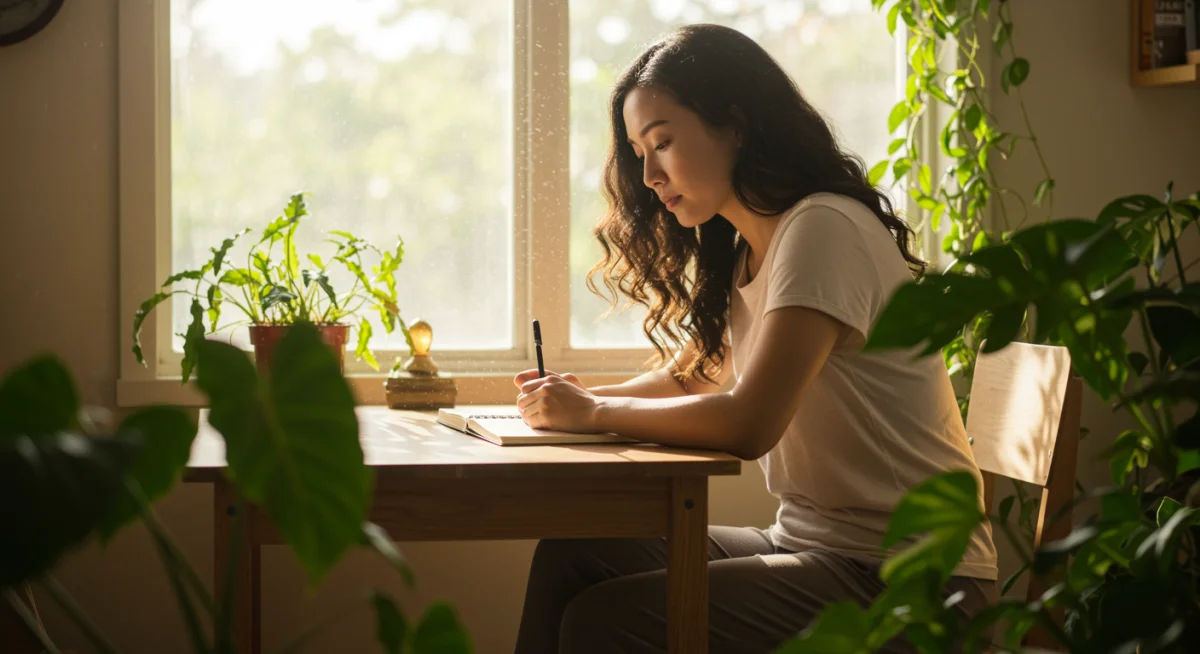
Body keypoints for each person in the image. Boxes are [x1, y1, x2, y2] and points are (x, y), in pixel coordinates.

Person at [510, 23, 998, 654]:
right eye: (638, 152)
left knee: (608, 619)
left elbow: (748, 423)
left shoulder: (821, 227)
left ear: (734, 123)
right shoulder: (751, 246)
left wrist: (596, 413)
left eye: (662, 142)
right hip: (813, 545)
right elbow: (694, 379)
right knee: (573, 557)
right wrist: (575, 403)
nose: (650, 174)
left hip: (913, 581)